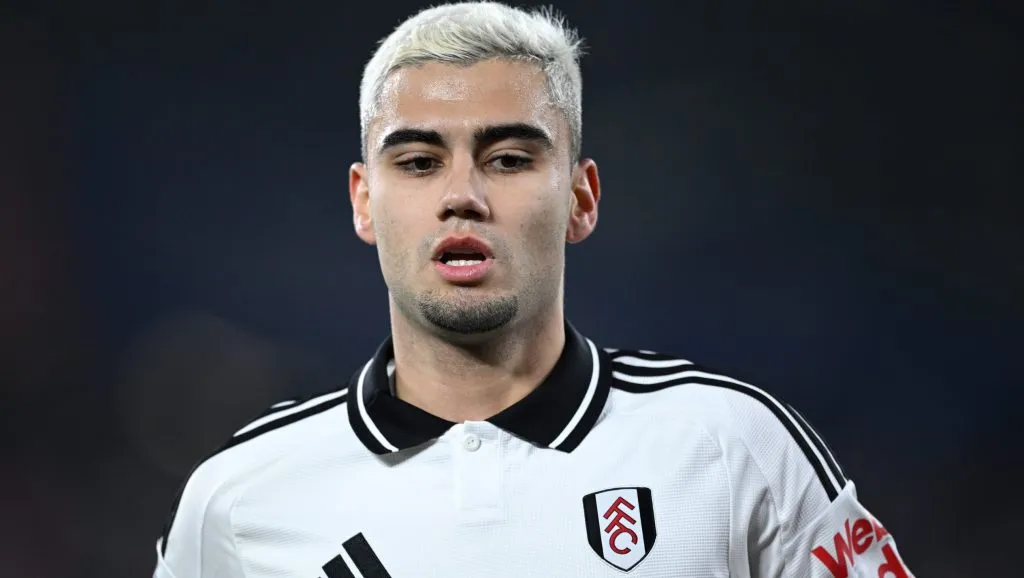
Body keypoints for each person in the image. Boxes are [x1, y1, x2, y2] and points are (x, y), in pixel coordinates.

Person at [153, 2, 914, 577]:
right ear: (363, 201)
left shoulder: (731, 449)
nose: (462, 196)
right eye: (418, 162)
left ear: (581, 198)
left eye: (510, 158)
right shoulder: (239, 500)